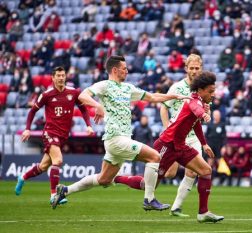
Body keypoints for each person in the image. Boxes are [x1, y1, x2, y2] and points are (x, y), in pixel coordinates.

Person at [52, 55, 189, 210]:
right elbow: (83, 95)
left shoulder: (128, 88)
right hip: (115, 139)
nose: (127, 71)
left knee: (104, 179)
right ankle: (149, 200)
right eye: (124, 68)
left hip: (120, 141)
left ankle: (65, 190)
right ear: (115, 70)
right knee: (155, 157)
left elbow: (152, 97)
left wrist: (174, 96)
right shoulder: (104, 85)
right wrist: (97, 105)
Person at [15, 66, 94, 206]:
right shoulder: (47, 94)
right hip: (50, 132)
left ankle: (22, 177)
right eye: (58, 75)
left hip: (63, 135)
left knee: (43, 166)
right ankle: (54, 195)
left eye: (63, 75)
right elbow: (32, 111)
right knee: (57, 160)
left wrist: (88, 125)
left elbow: (83, 108)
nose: (61, 78)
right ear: (53, 78)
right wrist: (27, 129)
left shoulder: (73, 92)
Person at [152, 71, 224, 223]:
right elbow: (196, 110)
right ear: (201, 90)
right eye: (211, 91)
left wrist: (204, 144)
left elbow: (195, 123)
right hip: (168, 144)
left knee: (205, 171)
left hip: (181, 145)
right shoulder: (193, 100)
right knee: (149, 182)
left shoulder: (201, 101)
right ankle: (115, 178)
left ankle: (203, 212)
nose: (214, 94)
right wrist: (204, 115)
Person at [159, 54, 204, 217]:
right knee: (169, 173)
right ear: (186, 69)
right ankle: (145, 189)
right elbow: (164, 107)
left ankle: (176, 207)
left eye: (197, 68)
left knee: (194, 171)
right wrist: (166, 128)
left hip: (193, 138)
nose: (194, 71)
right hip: (175, 137)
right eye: (191, 68)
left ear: (201, 68)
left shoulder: (204, 88)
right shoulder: (177, 87)